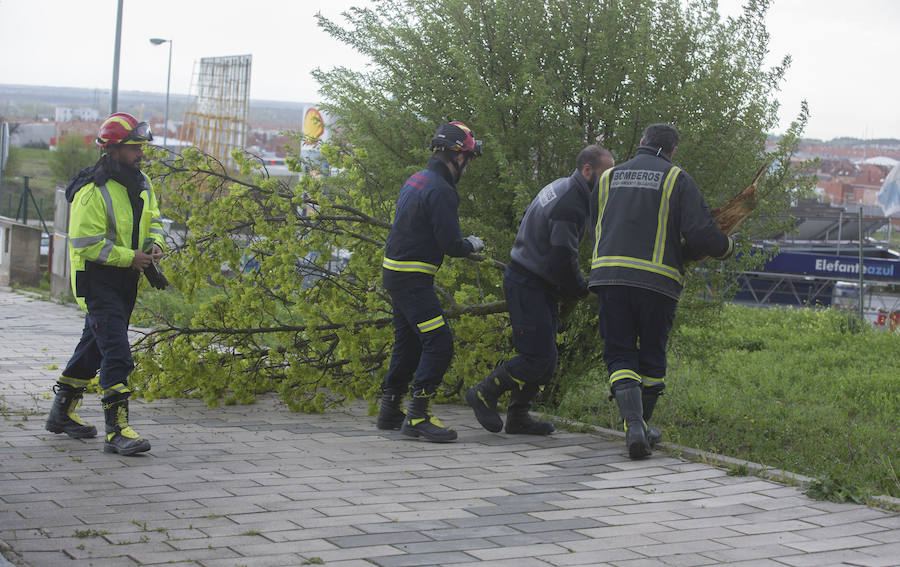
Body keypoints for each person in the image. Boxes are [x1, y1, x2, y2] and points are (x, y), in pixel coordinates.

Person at [588, 123, 734, 459]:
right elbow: (700, 234)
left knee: (619, 352)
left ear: (641, 142)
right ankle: (639, 428)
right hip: (656, 283)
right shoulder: (675, 178)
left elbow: (596, 223)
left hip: (610, 277)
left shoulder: (608, 177)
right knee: (652, 355)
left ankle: (634, 426)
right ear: (672, 151)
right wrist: (726, 247)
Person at [466, 145, 615, 435]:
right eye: (606, 173)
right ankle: (483, 392)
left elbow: (527, 221)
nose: (610, 180)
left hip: (534, 280)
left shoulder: (561, 186)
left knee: (547, 361)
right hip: (527, 284)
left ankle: (518, 416)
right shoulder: (571, 203)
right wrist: (582, 290)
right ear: (588, 170)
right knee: (537, 358)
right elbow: (562, 257)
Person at [45, 112, 165, 456]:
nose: (140, 153)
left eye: (141, 146)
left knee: (94, 347)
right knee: (116, 350)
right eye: (133, 148)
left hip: (126, 277)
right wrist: (131, 257)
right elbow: (85, 242)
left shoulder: (141, 182)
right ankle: (117, 430)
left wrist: (156, 245)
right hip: (96, 280)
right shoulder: (91, 191)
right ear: (113, 150)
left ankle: (61, 413)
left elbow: (154, 218)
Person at [376, 121, 485, 442]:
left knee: (408, 343)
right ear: (456, 156)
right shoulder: (442, 190)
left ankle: (390, 410)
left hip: (395, 273)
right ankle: (418, 416)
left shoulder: (416, 180)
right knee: (439, 343)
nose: (467, 166)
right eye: (467, 158)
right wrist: (472, 245)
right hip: (412, 280)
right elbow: (451, 244)